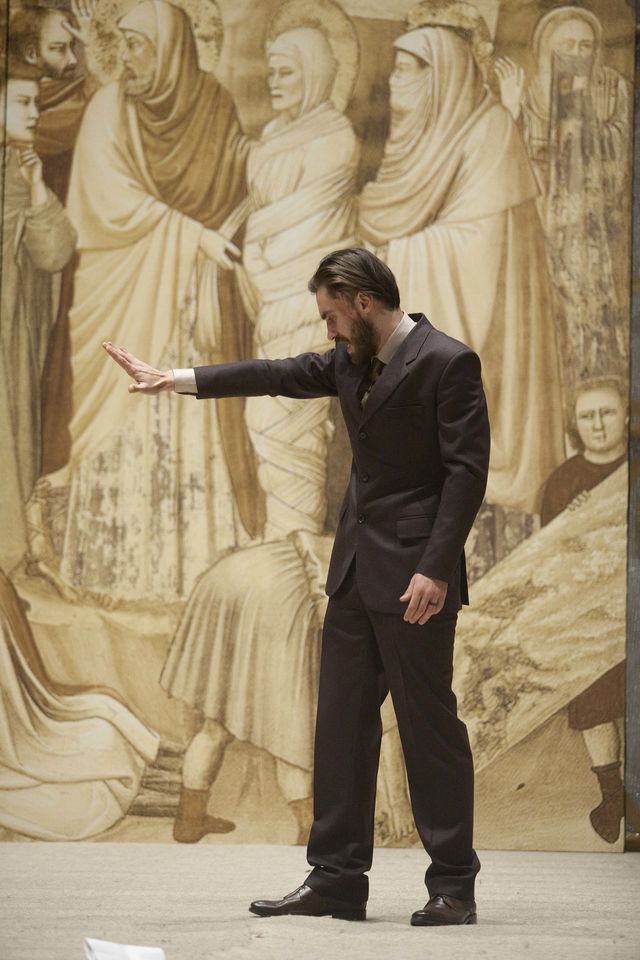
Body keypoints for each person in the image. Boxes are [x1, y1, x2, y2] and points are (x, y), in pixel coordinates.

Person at [104, 247, 490, 926]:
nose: (328, 331)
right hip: (353, 576)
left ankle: (454, 885)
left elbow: (466, 473)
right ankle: (337, 880)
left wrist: (435, 567)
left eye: (332, 317)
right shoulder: (348, 360)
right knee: (339, 729)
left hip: (415, 581)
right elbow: (275, 374)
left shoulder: (446, 362)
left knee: (429, 730)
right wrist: (177, 379)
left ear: (364, 303)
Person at [32, 0, 264, 604]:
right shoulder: (108, 108)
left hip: (191, 307)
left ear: (170, 48)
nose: (127, 58)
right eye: (123, 44)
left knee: (189, 430)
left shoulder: (215, 105)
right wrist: (191, 237)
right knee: (124, 421)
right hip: (122, 295)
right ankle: (111, 570)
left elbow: (239, 189)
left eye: (138, 45)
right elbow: (101, 202)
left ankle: (190, 577)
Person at [358, 7, 563, 516]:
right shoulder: (417, 139)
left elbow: (477, 249)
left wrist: (388, 258)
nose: (393, 80)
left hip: (490, 343)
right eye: (394, 68)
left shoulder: (489, 130)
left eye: (406, 69)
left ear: (441, 75)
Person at [242, 21, 359, 540]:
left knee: (294, 423)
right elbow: (259, 223)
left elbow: (306, 230)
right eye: (270, 72)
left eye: (286, 72)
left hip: (306, 304)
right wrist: (256, 261)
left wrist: (263, 262)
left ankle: (297, 543)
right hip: (270, 300)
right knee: (263, 420)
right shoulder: (270, 138)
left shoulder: (336, 138)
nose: (274, 82)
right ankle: (283, 542)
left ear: (313, 74)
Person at [495, 6, 631, 391]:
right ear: (543, 50)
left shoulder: (613, 90)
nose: (577, 53)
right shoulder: (527, 96)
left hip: (597, 233)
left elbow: (622, 159)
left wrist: (587, 120)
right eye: (566, 45)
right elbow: (505, 174)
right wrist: (510, 112)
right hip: (539, 232)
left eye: (586, 46)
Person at [0, 567, 159, 840]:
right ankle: (187, 793)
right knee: (74, 800)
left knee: (101, 726)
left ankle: (187, 788)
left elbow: (33, 673)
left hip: (25, 727)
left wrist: (52, 692)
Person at [9, 1, 98, 473]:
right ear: (29, 52)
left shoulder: (75, 99)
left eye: (75, 48)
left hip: (48, 266)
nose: (70, 61)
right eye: (59, 48)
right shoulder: (26, 107)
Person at [540, 377, 627, 843]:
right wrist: (571, 526)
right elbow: (547, 562)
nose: (598, 424)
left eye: (607, 413)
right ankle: (612, 799)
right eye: (587, 416)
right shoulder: (562, 483)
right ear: (576, 425)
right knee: (594, 702)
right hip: (589, 616)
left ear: (626, 417)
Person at [0, 57, 77, 574]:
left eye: (37, 103)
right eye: (23, 103)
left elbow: (55, 254)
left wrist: (36, 187)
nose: (34, 114)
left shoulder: (23, 171)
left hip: (13, 336)